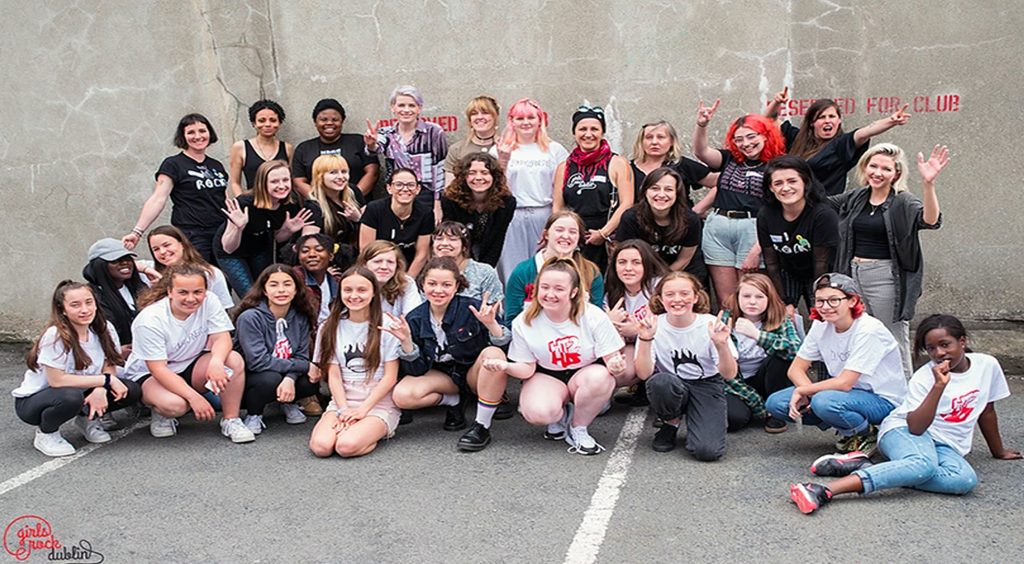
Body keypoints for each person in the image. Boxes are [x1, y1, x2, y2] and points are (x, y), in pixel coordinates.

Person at [790, 314, 1022, 514]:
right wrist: (938, 387)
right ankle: (825, 490)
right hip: (902, 431)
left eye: (945, 344)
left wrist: (998, 451)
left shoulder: (987, 365)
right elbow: (916, 427)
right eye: (931, 348)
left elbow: (987, 411)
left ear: (962, 341)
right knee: (922, 464)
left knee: (964, 480)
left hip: (947, 446)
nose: (939, 353)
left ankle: (872, 469)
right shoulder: (924, 377)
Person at [478, 258, 627, 455]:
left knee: (602, 378)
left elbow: (611, 361)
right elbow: (527, 369)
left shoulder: (593, 315)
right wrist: (505, 366)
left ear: (573, 292)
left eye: (559, 288)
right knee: (538, 413)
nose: (550, 294)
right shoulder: (524, 321)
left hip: (583, 372)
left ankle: (579, 427)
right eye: (545, 287)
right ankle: (561, 412)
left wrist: (616, 366)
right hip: (546, 374)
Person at [831, 143, 948, 376]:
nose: (877, 172)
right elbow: (819, 202)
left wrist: (929, 184)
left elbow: (930, 220)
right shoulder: (856, 197)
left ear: (896, 174)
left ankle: (906, 395)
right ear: (864, 168)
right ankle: (874, 389)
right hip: (853, 274)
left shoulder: (902, 201)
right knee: (862, 335)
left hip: (885, 277)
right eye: (873, 166)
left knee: (892, 336)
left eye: (885, 168)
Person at [764, 273, 908, 456]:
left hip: (881, 399)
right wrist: (807, 391)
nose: (825, 307)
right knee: (777, 403)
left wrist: (805, 392)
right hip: (844, 395)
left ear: (852, 300)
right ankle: (849, 430)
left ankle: (865, 434)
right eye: (820, 301)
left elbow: (845, 382)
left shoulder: (869, 329)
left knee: (824, 401)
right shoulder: (821, 325)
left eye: (834, 300)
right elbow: (796, 368)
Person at [123, 264, 255, 443]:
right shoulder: (149, 320)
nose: (191, 298)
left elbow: (222, 337)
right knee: (176, 405)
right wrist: (194, 398)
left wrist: (216, 362)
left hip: (189, 363)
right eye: (183, 292)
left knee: (233, 360)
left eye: (198, 292)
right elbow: (158, 369)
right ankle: (159, 409)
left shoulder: (210, 300)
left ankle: (231, 419)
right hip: (150, 374)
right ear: (170, 291)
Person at [13, 281, 141, 456]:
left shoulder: (105, 328)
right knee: (71, 396)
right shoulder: (56, 335)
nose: (84, 310)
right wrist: (105, 380)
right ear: (63, 309)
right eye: (75, 305)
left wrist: (100, 390)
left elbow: (109, 363)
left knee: (130, 389)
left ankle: (87, 419)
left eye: (89, 302)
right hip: (37, 402)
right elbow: (57, 380)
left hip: (81, 391)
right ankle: (46, 433)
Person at [388, 258, 510, 437]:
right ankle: (454, 401)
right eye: (432, 284)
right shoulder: (415, 318)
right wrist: (406, 342)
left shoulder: (473, 308)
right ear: (422, 284)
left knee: (494, 354)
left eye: (446, 284)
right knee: (402, 395)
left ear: (457, 286)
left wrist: (492, 325)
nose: (438, 290)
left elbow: (506, 351)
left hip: (473, 374)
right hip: (444, 378)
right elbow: (417, 370)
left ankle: (482, 426)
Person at [634, 272, 737, 461]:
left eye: (684, 294)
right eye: (670, 294)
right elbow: (643, 373)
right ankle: (671, 422)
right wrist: (645, 339)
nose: (677, 300)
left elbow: (729, 374)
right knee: (660, 382)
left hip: (707, 384)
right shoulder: (653, 325)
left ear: (696, 297)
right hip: (673, 383)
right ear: (661, 299)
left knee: (708, 451)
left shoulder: (710, 323)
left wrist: (721, 344)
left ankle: (697, 418)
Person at [692, 102, 786, 305]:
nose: (746, 143)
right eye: (739, 139)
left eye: (752, 136)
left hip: (753, 230)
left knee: (751, 297)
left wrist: (757, 250)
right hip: (718, 226)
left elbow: (779, 213)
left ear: (765, 136)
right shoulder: (730, 159)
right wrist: (702, 125)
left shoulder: (778, 166)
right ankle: (728, 336)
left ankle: (750, 334)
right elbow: (701, 152)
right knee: (726, 299)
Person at [308, 267, 401, 458]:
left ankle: (371, 432)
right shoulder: (330, 326)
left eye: (362, 290)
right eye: (348, 290)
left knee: (345, 446)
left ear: (373, 292)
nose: (354, 296)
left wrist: (362, 411)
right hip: (343, 400)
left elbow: (390, 377)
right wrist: (343, 410)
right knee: (321, 447)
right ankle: (355, 430)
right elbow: (333, 375)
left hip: (377, 403)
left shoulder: (388, 325)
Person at [122, 113, 228, 263]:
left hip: (221, 232)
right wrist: (137, 232)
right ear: (183, 136)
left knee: (224, 281)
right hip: (193, 233)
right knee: (199, 277)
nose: (198, 136)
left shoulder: (216, 165)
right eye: (191, 132)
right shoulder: (173, 164)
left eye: (202, 131)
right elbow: (158, 198)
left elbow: (223, 198)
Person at [765, 88, 911, 195]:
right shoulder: (798, 138)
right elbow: (769, 120)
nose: (827, 121)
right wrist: (777, 102)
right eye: (821, 117)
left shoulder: (841, 145)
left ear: (839, 120)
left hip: (822, 210)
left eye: (832, 116)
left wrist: (891, 121)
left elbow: (866, 132)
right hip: (792, 207)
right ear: (812, 122)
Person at [233, 264, 319, 434]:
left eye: (287, 284)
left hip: (283, 371)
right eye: (274, 285)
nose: (281, 290)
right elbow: (258, 362)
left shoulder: (300, 316)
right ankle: (254, 413)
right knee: (269, 379)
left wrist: (290, 379)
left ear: (296, 290)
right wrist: (304, 366)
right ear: (264, 290)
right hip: (253, 375)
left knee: (311, 382)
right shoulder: (250, 317)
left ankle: (287, 401)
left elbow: (301, 356)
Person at [491, 98, 570, 279]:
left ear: (540, 120)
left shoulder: (554, 149)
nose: (526, 122)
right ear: (512, 121)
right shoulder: (498, 150)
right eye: (520, 118)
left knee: (545, 267)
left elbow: (561, 187)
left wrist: (555, 221)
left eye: (531, 117)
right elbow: (494, 190)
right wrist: (503, 160)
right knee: (513, 270)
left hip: (544, 214)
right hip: (511, 216)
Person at [217, 160, 322, 294]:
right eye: (274, 182)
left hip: (259, 247)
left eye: (285, 180)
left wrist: (287, 230)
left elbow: (276, 239)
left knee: (265, 289)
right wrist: (238, 227)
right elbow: (228, 248)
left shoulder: (291, 202)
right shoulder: (245, 204)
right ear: (262, 183)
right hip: (232, 252)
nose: (282, 186)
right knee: (249, 294)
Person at [553, 105, 634, 268]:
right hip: (574, 237)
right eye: (582, 129)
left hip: (607, 237)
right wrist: (564, 233)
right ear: (574, 132)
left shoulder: (617, 163)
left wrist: (603, 233)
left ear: (602, 132)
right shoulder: (565, 167)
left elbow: (627, 204)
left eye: (594, 129)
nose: (588, 134)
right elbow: (558, 207)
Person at [757, 155, 840, 312]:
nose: (786, 188)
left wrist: (819, 300)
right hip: (788, 270)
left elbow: (821, 263)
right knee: (782, 316)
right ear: (771, 188)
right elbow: (771, 262)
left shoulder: (823, 214)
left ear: (805, 182)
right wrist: (783, 301)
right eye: (778, 183)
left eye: (792, 181)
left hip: (822, 272)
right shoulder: (765, 215)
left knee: (822, 317)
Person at [722, 273, 802, 433]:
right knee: (734, 420)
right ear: (737, 298)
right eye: (746, 296)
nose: (752, 301)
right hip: (734, 383)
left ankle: (775, 410)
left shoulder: (780, 319)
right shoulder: (725, 320)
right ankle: (760, 408)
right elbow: (716, 366)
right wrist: (758, 405)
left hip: (768, 380)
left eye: (759, 296)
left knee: (781, 358)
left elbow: (796, 351)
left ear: (769, 299)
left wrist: (757, 335)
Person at [504, 211, 604, 326]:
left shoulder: (591, 272)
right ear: (546, 234)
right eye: (559, 230)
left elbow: (597, 317)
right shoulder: (523, 271)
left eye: (573, 232)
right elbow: (511, 319)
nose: (566, 236)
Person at [364, 86, 448, 214]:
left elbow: (440, 169)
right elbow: (376, 147)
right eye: (401, 105)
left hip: (427, 195)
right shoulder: (386, 133)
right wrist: (370, 144)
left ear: (419, 108)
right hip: (398, 194)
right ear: (393, 108)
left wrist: (438, 204)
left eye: (412, 105)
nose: (406, 110)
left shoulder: (433, 132)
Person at [616, 167, 707, 281]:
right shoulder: (630, 218)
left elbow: (684, 259)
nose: (661, 195)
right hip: (642, 274)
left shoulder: (690, 220)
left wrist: (660, 281)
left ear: (677, 193)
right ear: (645, 191)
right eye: (655, 188)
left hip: (683, 272)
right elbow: (626, 257)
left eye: (668, 189)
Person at [603, 240, 667, 401]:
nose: (628, 268)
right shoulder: (612, 294)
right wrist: (608, 323)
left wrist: (638, 331)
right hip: (633, 346)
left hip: (663, 346)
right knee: (620, 372)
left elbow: (677, 323)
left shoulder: (660, 286)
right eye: (622, 262)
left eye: (636, 262)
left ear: (647, 264)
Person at [292, 98, 378, 199]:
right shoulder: (304, 149)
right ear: (315, 122)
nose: (329, 123)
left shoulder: (358, 141)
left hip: (358, 206)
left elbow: (373, 172)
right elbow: (299, 182)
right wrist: (321, 201)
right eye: (323, 119)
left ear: (342, 121)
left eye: (335, 119)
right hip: (320, 208)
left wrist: (352, 198)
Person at [441, 153, 516, 267]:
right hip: (457, 252)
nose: (478, 178)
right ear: (463, 176)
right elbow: (454, 237)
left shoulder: (506, 202)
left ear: (494, 176)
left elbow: (497, 239)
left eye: (485, 173)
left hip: (487, 247)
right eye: (472, 173)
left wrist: (486, 270)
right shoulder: (450, 200)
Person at [628, 120, 717, 211]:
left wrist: (698, 210)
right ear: (641, 141)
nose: (654, 142)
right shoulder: (628, 169)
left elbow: (721, 183)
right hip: (637, 223)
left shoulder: (681, 164)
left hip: (680, 223)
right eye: (649, 137)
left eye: (661, 137)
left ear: (671, 141)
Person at [359, 167, 433, 276]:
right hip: (377, 267)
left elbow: (422, 254)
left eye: (411, 185)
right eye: (399, 184)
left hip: (409, 268)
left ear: (418, 189)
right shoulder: (374, 209)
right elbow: (366, 250)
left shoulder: (425, 213)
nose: (405, 189)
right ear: (389, 188)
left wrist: (407, 281)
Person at [82, 238, 148, 354]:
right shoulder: (91, 295)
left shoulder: (139, 287)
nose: (125, 263)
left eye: (128, 258)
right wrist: (115, 351)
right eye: (115, 260)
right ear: (99, 266)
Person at [144, 225, 234, 308]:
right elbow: (131, 263)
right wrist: (145, 269)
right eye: (156, 249)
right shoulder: (152, 271)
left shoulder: (210, 273)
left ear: (182, 244)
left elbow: (223, 308)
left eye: (167, 245)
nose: (162, 251)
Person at [308, 154, 363, 267]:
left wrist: (358, 219)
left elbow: (371, 229)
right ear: (320, 177)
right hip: (331, 263)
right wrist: (323, 270)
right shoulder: (314, 206)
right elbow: (309, 245)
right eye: (333, 172)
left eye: (344, 172)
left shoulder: (354, 193)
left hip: (358, 259)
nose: (340, 177)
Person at [429, 221, 504, 304]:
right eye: (439, 239)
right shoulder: (428, 271)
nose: (444, 243)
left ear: (464, 246)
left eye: (452, 239)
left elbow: (495, 308)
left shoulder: (484, 272)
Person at [228, 99, 293, 195]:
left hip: (281, 203)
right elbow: (235, 183)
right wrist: (242, 203)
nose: (267, 124)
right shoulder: (241, 147)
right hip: (253, 204)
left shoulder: (287, 148)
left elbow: (290, 179)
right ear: (254, 123)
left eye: (273, 120)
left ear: (279, 123)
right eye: (261, 120)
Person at [444, 96, 501, 188]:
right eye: (474, 113)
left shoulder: (506, 147)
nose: (479, 117)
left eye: (485, 113)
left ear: (495, 117)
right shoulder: (457, 149)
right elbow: (449, 187)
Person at [357, 241, 422, 318]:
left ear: (397, 266)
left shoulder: (406, 283)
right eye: (377, 262)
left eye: (390, 262)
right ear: (364, 264)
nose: (384, 267)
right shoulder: (352, 283)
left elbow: (413, 318)